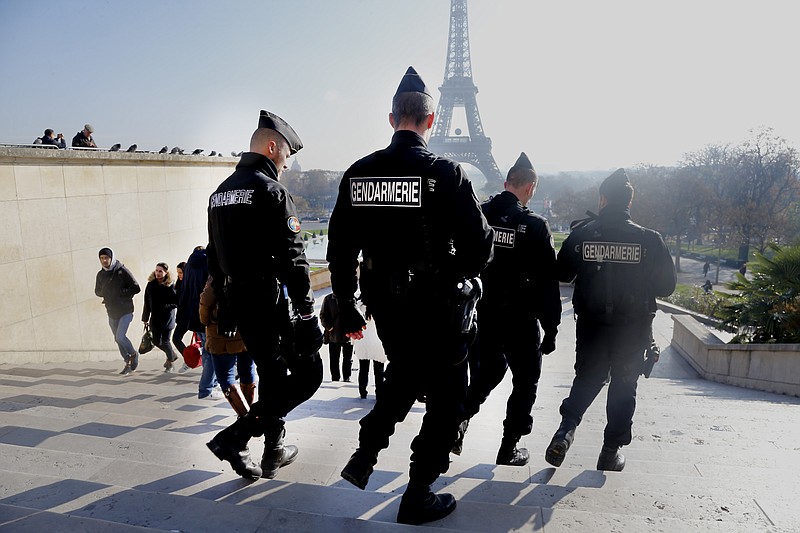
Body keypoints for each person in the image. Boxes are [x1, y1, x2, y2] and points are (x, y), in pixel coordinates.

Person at [328, 67, 493, 525]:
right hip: (436, 306)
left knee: (401, 377)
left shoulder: (359, 173)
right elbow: (482, 246)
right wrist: (451, 275)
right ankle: (418, 492)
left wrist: (345, 303)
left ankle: (364, 455)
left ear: (391, 118)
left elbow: (339, 249)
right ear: (431, 120)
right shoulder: (446, 173)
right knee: (448, 400)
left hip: (384, 302)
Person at [205, 109, 324, 481]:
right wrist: (307, 314)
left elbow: (215, 256)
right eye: (286, 154)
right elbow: (294, 258)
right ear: (272, 147)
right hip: (269, 301)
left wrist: (224, 302)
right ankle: (237, 437)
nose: (286, 164)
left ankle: (272, 449)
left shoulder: (219, 194)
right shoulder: (272, 192)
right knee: (309, 374)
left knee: (272, 373)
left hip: (239, 302)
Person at [545, 168, 676, 472]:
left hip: (591, 327)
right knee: (623, 386)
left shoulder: (584, 233)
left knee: (587, 379)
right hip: (633, 330)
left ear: (603, 199)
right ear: (630, 202)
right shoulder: (649, 240)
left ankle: (566, 430)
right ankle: (609, 451)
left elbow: (561, 272)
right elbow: (666, 287)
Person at [451, 152, 561, 466]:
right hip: (520, 320)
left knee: (485, 376)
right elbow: (548, 285)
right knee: (525, 382)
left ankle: (457, 423)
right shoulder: (536, 226)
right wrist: (551, 329)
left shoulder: (479, 214)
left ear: (506, 182)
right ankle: (508, 446)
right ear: (531, 188)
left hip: (480, 316)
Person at [199, 276, 258, 416]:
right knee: (248, 372)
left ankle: (246, 418)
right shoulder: (252, 270)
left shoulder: (218, 272)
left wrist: (204, 320)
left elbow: (206, 301)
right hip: (247, 331)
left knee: (226, 378)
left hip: (221, 333)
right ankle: (248, 415)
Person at [174, 246, 219, 397]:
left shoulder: (189, 268)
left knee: (207, 351)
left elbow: (184, 293)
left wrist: (183, 317)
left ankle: (211, 384)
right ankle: (206, 388)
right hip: (208, 314)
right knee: (213, 352)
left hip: (194, 316)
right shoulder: (208, 264)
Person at [94, 247, 141, 375]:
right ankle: (127, 361)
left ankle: (133, 354)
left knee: (120, 336)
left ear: (112, 258)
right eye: (102, 258)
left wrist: (121, 293)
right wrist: (105, 293)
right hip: (111, 310)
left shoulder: (121, 271)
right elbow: (97, 291)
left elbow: (136, 288)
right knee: (117, 338)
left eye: (106, 258)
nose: (104, 261)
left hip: (125, 310)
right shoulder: (101, 274)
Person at [141, 262, 180, 371]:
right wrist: (145, 318)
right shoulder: (151, 284)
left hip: (167, 318)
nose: (157, 273)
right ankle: (172, 355)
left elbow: (177, 301)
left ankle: (170, 363)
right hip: (155, 318)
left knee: (166, 341)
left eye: (160, 271)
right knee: (157, 341)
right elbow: (147, 302)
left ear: (166, 272)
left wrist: (166, 306)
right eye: (156, 270)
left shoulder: (170, 285)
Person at [320, 292, 354, 382]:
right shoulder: (328, 298)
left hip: (348, 334)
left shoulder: (350, 297)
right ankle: (335, 378)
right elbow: (323, 315)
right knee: (334, 359)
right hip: (334, 334)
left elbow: (355, 315)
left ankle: (347, 377)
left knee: (348, 358)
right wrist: (329, 327)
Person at [355, 301, 386, 400]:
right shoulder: (380, 307)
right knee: (379, 371)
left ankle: (362, 392)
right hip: (378, 343)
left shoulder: (358, 307)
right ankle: (379, 393)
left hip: (363, 342)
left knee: (363, 370)